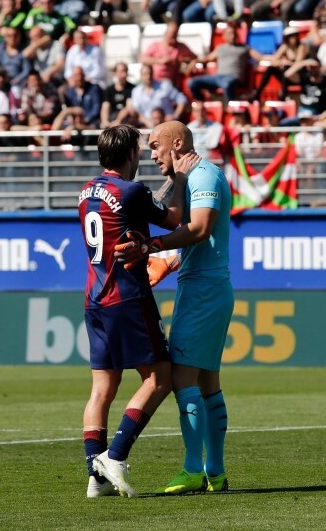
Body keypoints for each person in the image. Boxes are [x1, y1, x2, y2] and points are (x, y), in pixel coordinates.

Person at [114, 120, 233, 495]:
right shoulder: (197, 177)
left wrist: (151, 247)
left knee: (182, 379)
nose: (150, 155)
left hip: (204, 292)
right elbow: (197, 239)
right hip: (204, 286)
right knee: (206, 381)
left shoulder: (204, 178)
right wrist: (170, 261)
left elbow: (198, 229)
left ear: (176, 144)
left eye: (154, 146)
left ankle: (192, 469)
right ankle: (214, 471)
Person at [80, 123, 196, 499]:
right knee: (159, 378)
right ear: (129, 154)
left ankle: (95, 479)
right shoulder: (131, 191)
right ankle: (114, 456)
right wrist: (180, 175)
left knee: (102, 388)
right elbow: (175, 217)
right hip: (126, 296)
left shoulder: (86, 191)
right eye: (139, 150)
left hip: (93, 297)